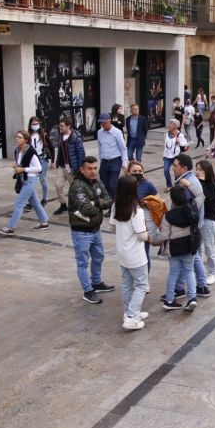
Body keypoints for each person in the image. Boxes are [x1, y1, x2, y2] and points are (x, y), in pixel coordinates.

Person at [68, 156, 115, 304]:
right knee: (82, 262)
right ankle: (88, 291)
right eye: (90, 168)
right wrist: (99, 206)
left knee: (99, 257)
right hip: (81, 231)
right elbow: (85, 209)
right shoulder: (77, 186)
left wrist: (95, 203)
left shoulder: (98, 182)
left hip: (95, 229)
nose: (93, 171)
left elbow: (110, 200)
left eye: (95, 168)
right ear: (82, 169)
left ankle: (96, 282)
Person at [149, 185, 200, 312]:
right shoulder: (192, 211)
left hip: (174, 248)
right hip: (190, 246)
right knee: (189, 271)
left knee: (173, 274)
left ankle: (170, 300)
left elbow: (164, 235)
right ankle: (192, 298)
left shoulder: (168, 216)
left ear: (172, 199)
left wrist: (154, 242)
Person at [109, 175, 149, 330]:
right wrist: (149, 232)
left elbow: (112, 227)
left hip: (122, 253)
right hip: (136, 255)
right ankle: (132, 316)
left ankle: (129, 312)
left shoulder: (116, 206)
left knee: (127, 284)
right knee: (141, 285)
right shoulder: (136, 211)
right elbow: (142, 236)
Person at [171, 153, 211, 298]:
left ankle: (181, 289)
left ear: (184, 168)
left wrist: (185, 214)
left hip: (188, 226)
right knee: (194, 256)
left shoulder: (190, 181)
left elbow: (199, 199)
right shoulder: (185, 180)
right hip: (191, 224)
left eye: (175, 166)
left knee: (186, 257)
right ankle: (201, 286)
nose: (173, 168)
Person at [0, 130, 50, 235]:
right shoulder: (18, 150)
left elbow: (39, 168)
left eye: (20, 137)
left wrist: (23, 169)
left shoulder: (30, 151)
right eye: (16, 137)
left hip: (31, 180)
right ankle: (44, 222)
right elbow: (22, 163)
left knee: (19, 203)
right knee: (35, 202)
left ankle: (11, 228)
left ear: (26, 140)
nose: (17, 139)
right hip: (24, 180)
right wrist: (16, 165)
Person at [51, 117, 86, 216]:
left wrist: (80, 168)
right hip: (62, 166)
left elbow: (81, 153)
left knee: (75, 189)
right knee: (58, 185)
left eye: (62, 126)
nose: (60, 128)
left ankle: (79, 207)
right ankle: (63, 205)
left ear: (68, 126)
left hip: (72, 167)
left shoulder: (76, 137)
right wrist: (56, 161)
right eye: (60, 126)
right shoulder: (60, 136)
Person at [128, 160, 157, 269]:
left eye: (140, 171)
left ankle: (145, 276)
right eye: (134, 171)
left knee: (144, 252)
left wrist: (147, 203)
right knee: (130, 254)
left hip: (143, 225)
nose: (137, 173)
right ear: (128, 172)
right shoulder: (124, 184)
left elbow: (158, 202)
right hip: (128, 223)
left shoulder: (148, 184)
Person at [196, 160, 215, 284]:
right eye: (197, 169)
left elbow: (208, 200)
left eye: (200, 169)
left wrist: (202, 182)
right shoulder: (197, 183)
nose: (198, 172)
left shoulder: (212, 185)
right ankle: (200, 273)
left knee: (209, 247)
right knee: (197, 248)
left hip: (208, 219)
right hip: (197, 220)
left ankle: (213, 273)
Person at [96, 112, 128, 198]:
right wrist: (101, 160)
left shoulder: (117, 132)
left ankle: (113, 202)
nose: (103, 124)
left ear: (109, 121)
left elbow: (123, 148)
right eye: (101, 123)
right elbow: (99, 147)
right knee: (103, 185)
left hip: (115, 161)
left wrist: (124, 163)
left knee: (112, 185)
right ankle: (107, 201)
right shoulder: (99, 132)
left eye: (104, 122)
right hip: (104, 161)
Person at [26, 116, 53, 209]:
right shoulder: (28, 135)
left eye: (36, 124)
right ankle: (32, 201)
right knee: (31, 181)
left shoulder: (43, 134)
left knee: (43, 179)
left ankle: (45, 198)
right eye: (33, 124)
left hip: (41, 158)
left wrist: (53, 161)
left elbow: (51, 147)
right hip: (31, 159)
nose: (35, 126)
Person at [162, 118, 189, 189]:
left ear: (176, 126)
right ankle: (169, 185)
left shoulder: (179, 135)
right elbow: (165, 146)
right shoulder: (166, 134)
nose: (170, 125)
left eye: (172, 124)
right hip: (167, 156)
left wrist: (179, 142)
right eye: (170, 123)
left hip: (175, 156)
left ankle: (177, 185)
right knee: (165, 170)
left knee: (176, 172)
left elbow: (186, 143)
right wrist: (164, 155)